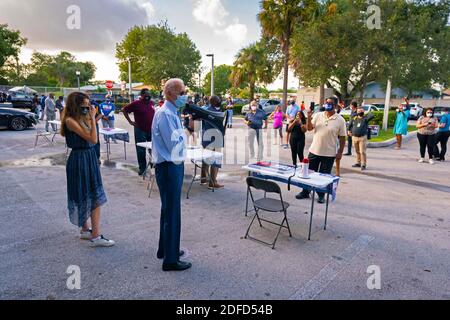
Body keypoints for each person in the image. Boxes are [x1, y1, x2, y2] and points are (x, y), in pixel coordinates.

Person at [60, 92, 115, 247]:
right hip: (80, 159)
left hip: (88, 157)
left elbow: (91, 134)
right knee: (93, 195)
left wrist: (93, 118)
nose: (88, 106)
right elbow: (93, 139)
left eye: (88, 103)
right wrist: (92, 117)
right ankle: (96, 236)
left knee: (85, 193)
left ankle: (85, 230)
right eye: (84, 104)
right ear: (76, 105)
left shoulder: (79, 119)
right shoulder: (70, 120)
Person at [152, 78, 191, 272]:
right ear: (169, 93)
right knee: (172, 212)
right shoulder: (166, 114)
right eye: (181, 92)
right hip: (169, 166)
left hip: (171, 165)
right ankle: (171, 260)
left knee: (168, 210)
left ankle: (166, 249)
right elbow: (173, 145)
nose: (184, 95)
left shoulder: (171, 112)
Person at [296, 98, 347, 203]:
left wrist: (340, 152)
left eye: (330, 103)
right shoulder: (318, 115)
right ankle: (305, 191)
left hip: (329, 153)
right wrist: (309, 117)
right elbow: (309, 129)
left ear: (336, 106)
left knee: (324, 176)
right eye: (326, 102)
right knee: (308, 173)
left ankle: (321, 194)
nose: (328, 104)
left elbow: (342, 137)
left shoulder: (340, 120)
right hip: (314, 150)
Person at [123, 89, 155, 176]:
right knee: (141, 150)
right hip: (140, 129)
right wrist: (130, 122)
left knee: (153, 148)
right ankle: (142, 168)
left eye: (149, 94)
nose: (148, 96)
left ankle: (153, 164)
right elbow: (124, 110)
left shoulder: (151, 103)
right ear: (141, 95)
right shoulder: (136, 103)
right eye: (146, 95)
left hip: (151, 129)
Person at [200, 95, 225, 189]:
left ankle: (203, 178)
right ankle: (213, 181)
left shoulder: (206, 109)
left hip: (206, 137)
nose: (220, 101)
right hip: (215, 138)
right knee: (216, 160)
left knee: (206, 159)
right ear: (215, 102)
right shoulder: (216, 112)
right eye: (219, 99)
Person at [348, 105, 374, 171]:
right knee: (357, 151)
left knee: (362, 151)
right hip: (354, 137)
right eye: (359, 111)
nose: (360, 112)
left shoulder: (365, 118)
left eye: (361, 111)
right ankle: (358, 162)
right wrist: (348, 131)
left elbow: (371, 115)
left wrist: (366, 112)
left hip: (362, 137)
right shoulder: (354, 118)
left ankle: (363, 164)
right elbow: (350, 125)